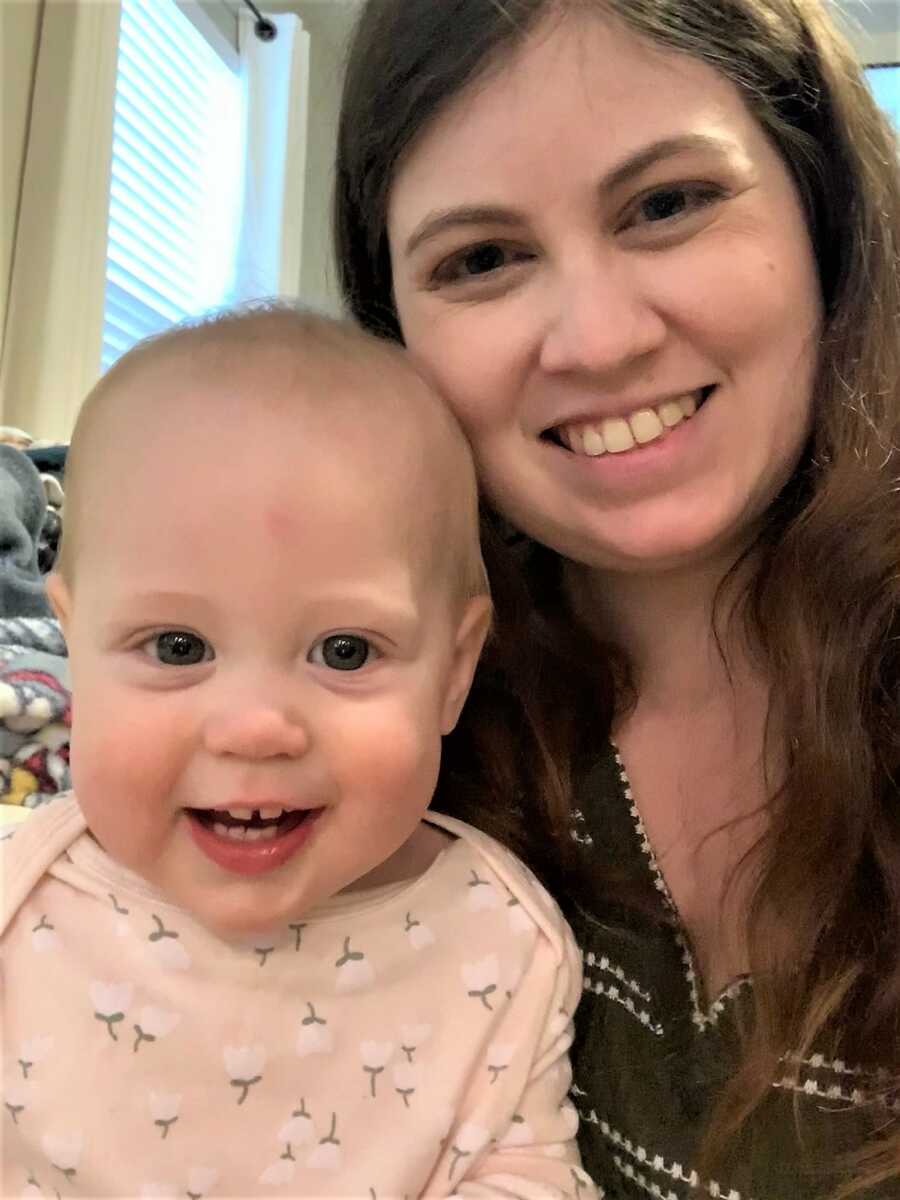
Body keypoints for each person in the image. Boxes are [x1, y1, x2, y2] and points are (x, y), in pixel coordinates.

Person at [333, 1, 900, 1195]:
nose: (594, 342)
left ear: (826, 216)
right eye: (481, 260)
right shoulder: (372, 746)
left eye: (668, 204)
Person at [0, 307, 597, 1199]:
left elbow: (525, 1171)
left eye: (345, 651)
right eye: (176, 648)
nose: (255, 729)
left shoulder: (501, 944)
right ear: (74, 643)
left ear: (454, 672)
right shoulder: (19, 899)